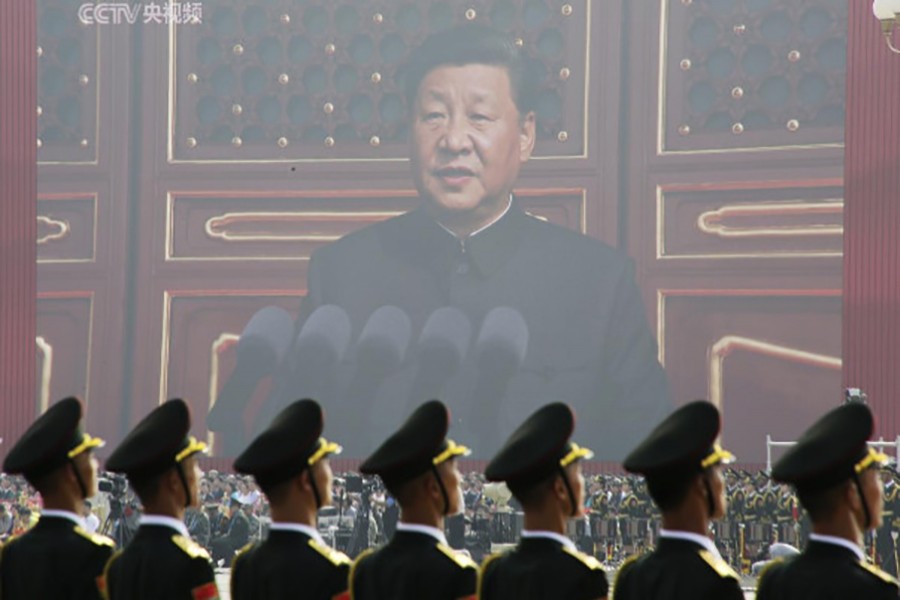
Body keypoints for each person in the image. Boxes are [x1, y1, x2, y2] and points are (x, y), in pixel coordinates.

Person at [233, 23, 669, 459]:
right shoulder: (344, 272)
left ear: (525, 135)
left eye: (479, 117)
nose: (454, 141)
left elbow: (647, 453)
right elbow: (285, 442)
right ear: (411, 131)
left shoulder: (597, 282)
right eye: (434, 116)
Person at [755, 402, 899, 599]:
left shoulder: (776, 581)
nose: (880, 489)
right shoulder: (876, 591)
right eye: (874, 478)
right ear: (852, 494)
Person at [613, 400, 743, 600]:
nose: (722, 482)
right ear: (701, 485)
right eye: (718, 471)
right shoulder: (717, 583)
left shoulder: (632, 577)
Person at [478, 402, 608, 600]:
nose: (582, 483)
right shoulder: (584, 576)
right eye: (578, 474)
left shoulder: (495, 573)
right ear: (560, 489)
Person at [350, 400, 477, 600]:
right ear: (433, 488)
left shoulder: (366, 570)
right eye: (453, 469)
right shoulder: (459, 575)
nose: (459, 479)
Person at [230, 398, 350, 599]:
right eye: (325, 465)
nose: (330, 475)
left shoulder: (246, 565)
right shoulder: (333, 569)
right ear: (305, 480)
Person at [102, 398, 219, 600]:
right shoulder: (193, 563)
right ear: (174, 480)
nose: (199, 475)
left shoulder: (119, 566)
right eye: (193, 466)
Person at [0, 396, 114, 599]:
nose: (96, 465)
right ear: (71, 472)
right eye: (88, 456)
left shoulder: (12, 555)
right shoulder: (96, 554)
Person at [210, 498, 251, 563]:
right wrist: (223, 525)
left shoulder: (240, 518)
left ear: (236, 507)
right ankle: (215, 560)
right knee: (216, 541)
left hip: (239, 540)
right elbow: (227, 528)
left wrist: (225, 536)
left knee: (221, 542)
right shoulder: (234, 516)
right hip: (233, 538)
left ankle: (229, 560)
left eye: (231, 507)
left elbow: (234, 532)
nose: (230, 508)